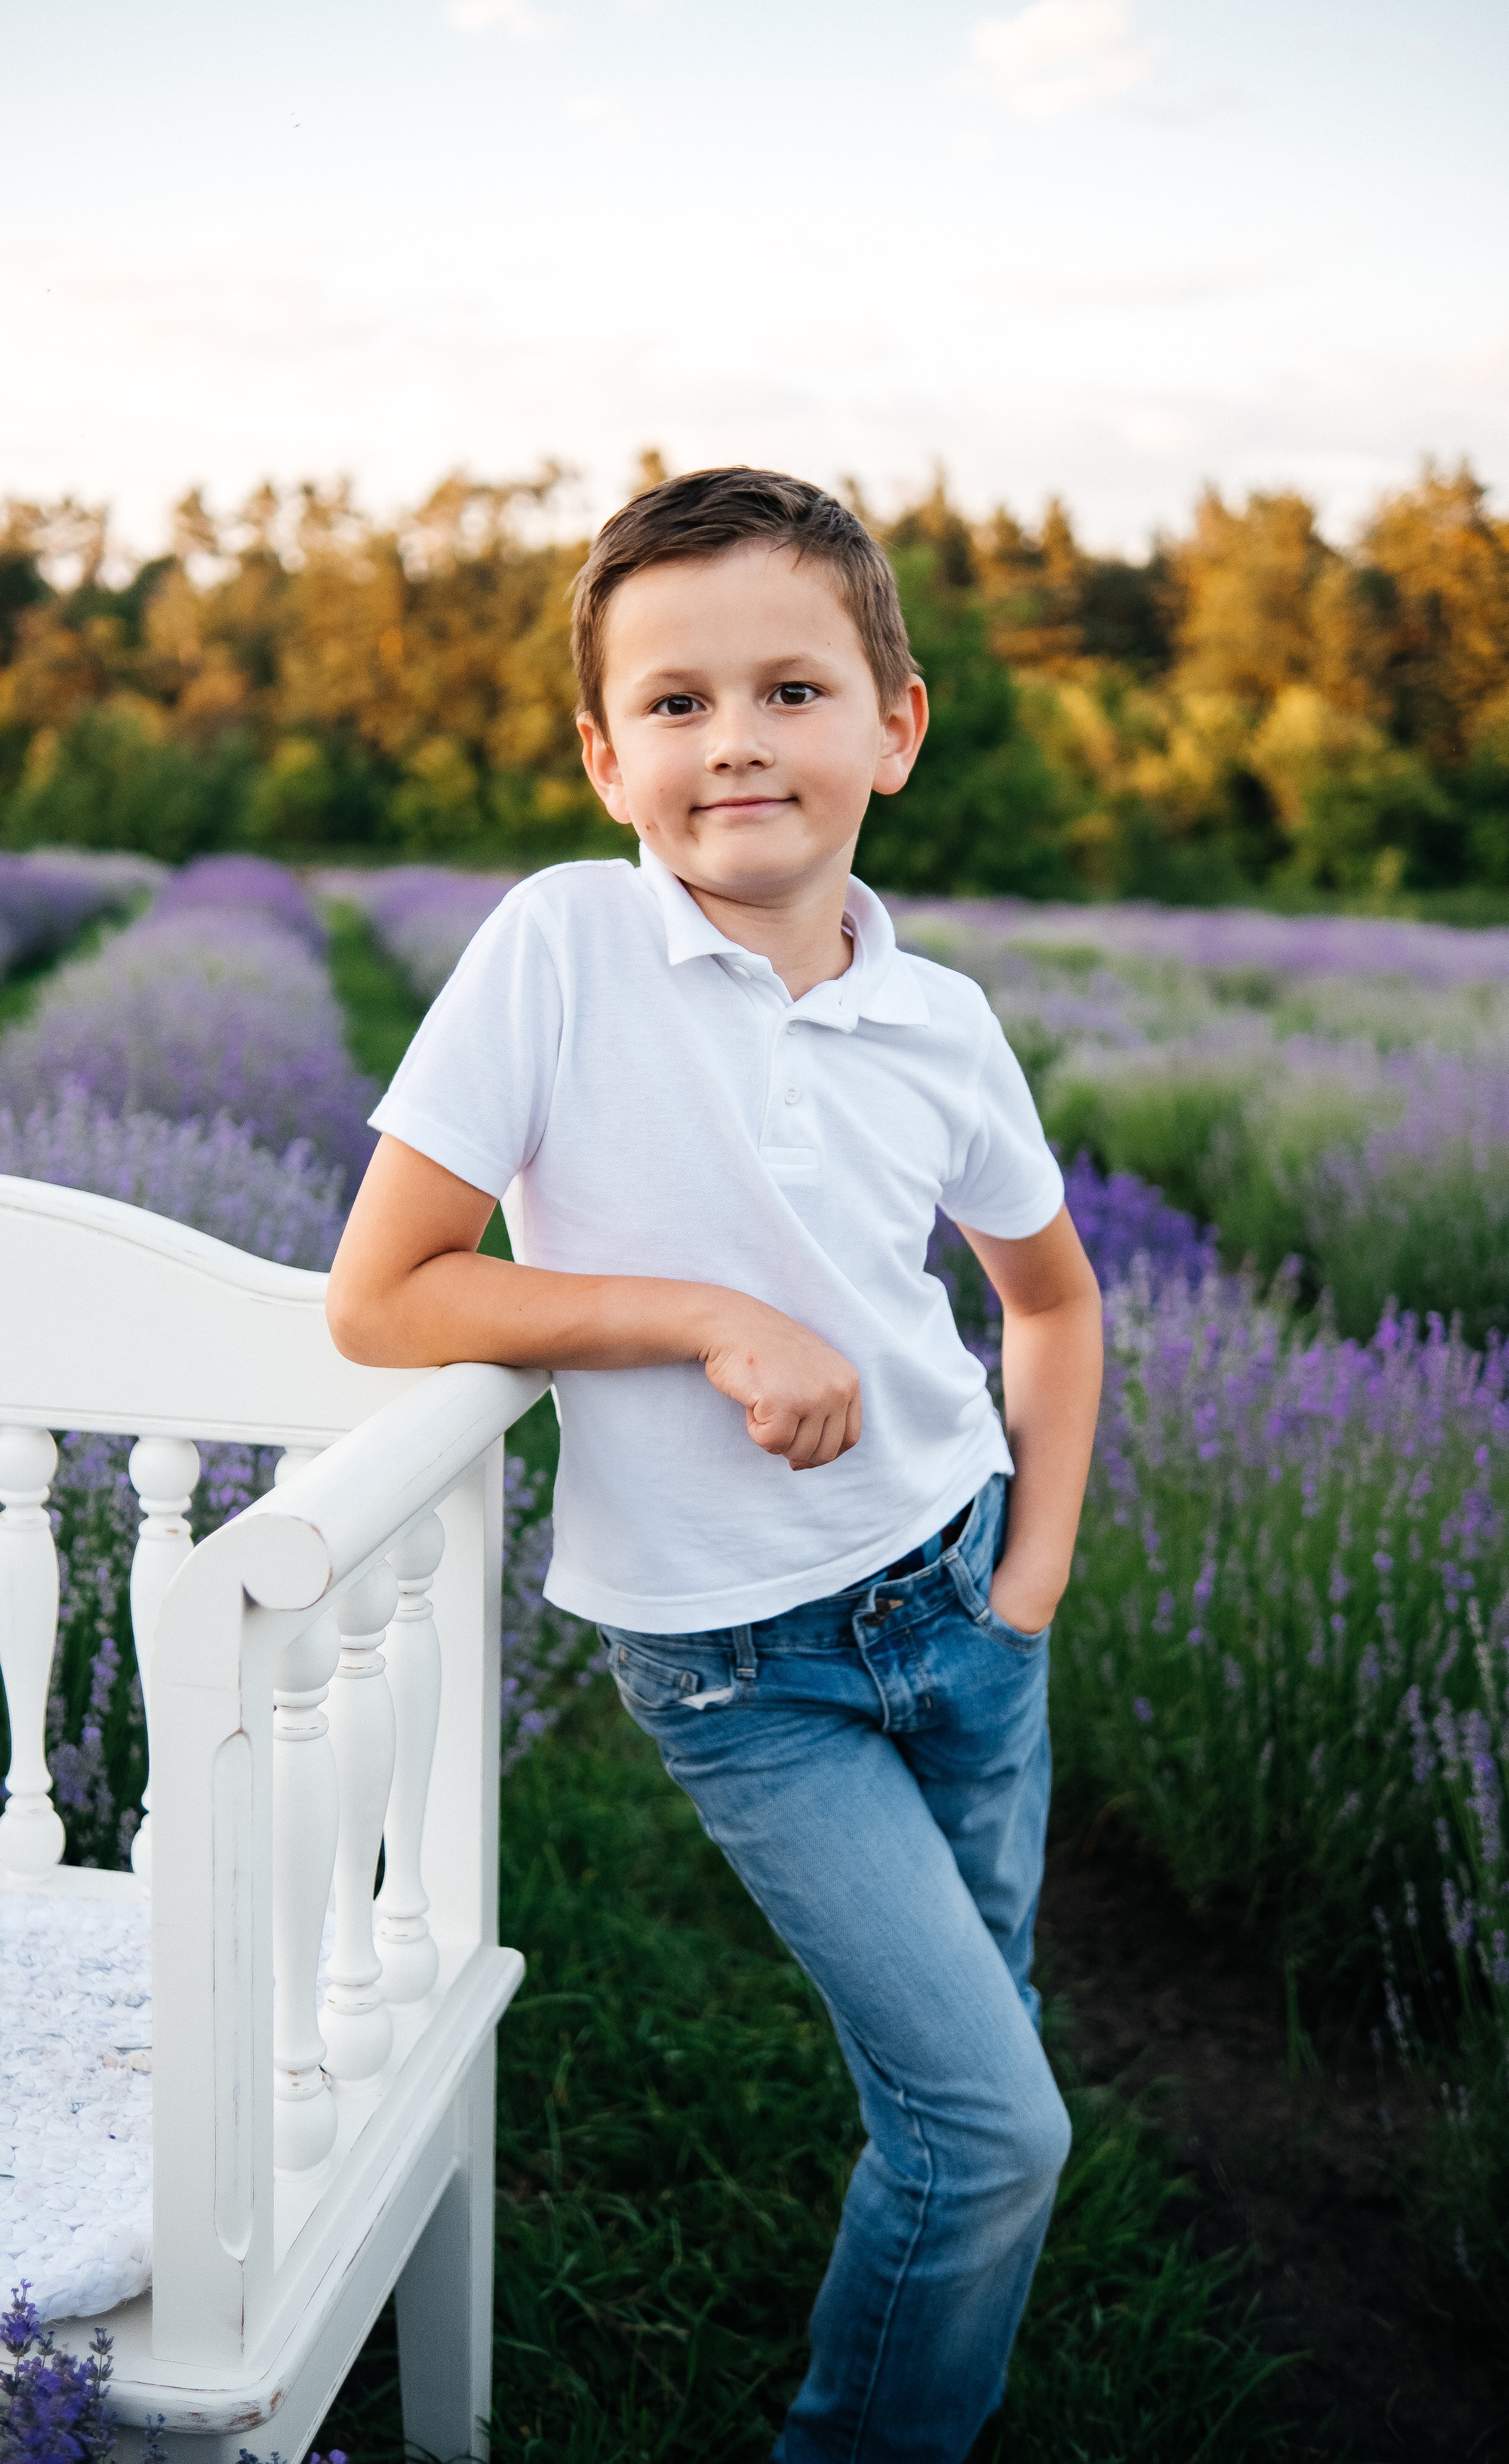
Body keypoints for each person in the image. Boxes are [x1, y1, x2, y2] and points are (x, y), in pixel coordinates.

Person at [325, 465, 1104, 2463]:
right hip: (746, 1673)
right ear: (605, 760)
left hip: (962, 1601)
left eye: (792, 689)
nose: (735, 740)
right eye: (675, 704)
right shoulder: (565, 947)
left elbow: (1055, 1306)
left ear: (894, 729)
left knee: (959, 2090)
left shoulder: (944, 1026)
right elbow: (389, 1296)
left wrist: (1030, 1586)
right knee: (1000, 2126)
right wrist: (702, 1315)